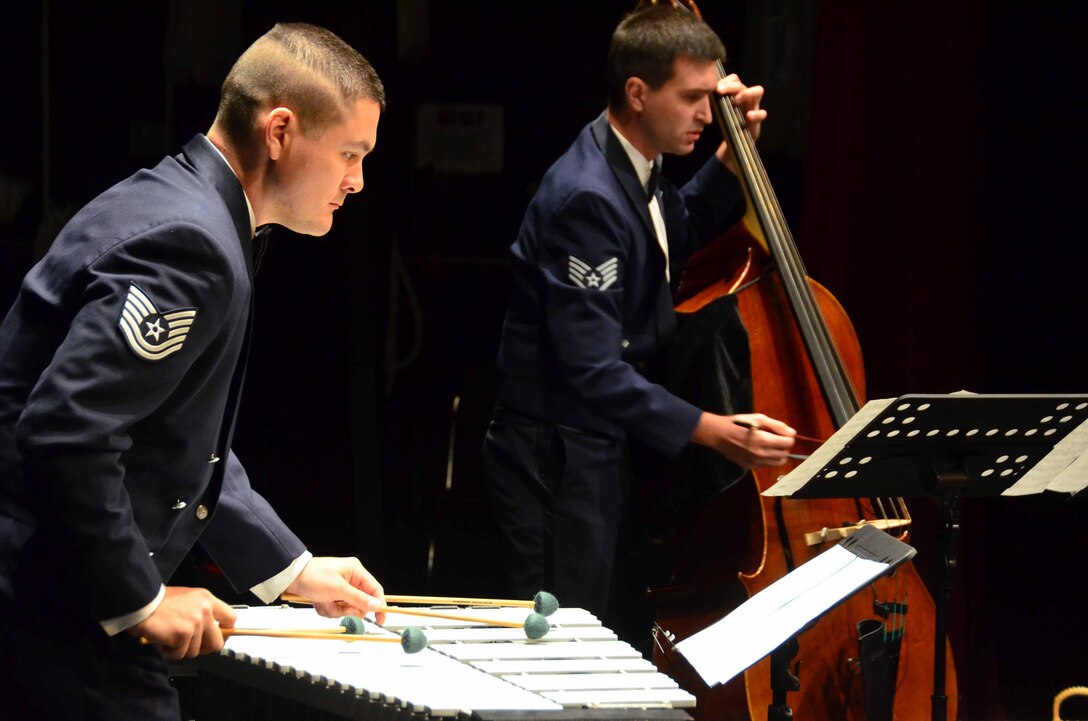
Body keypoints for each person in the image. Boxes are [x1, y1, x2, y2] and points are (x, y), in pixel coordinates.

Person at [0, 22, 386, 721]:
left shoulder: (190, 208)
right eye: (351, 154)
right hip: (46, 604)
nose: (357, 181)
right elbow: (66, 431)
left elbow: (176, 437)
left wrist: (291, 568)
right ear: (281, 131)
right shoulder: (191, 242)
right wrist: (141, 599)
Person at [481, 4, 797, 629]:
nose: (709, 116)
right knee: (560, 641)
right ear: (637, 92)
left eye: (712, 97)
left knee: (591, 630)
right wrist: (716, 430)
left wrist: (736, 163)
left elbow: (675, 233)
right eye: (691, 98)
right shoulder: (587, 199)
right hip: (554, 457)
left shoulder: (638, 164)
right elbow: (592, 369)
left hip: (594, 447)